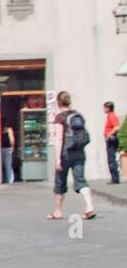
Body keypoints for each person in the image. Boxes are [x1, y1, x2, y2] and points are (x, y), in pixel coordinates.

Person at [48, 91, 96, 220]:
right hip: (79, 152)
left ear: (58, 102)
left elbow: (59, 138)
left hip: (65, 154)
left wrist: (57, 158)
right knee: (81, 180)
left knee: (60, 182)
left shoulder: (60, 117)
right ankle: (89, 207)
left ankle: (57, 211)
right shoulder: (78, 115)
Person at [104, 101, 120, 184]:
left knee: (111, 159)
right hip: (111, 139)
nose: (104, 109)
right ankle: (114, 178)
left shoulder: (112, 116)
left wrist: (108, 135)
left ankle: (115, 179)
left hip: (112, 139)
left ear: (108, 108)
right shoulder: (110, 116)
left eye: (105, 107)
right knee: (111, 159)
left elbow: (117, 127)